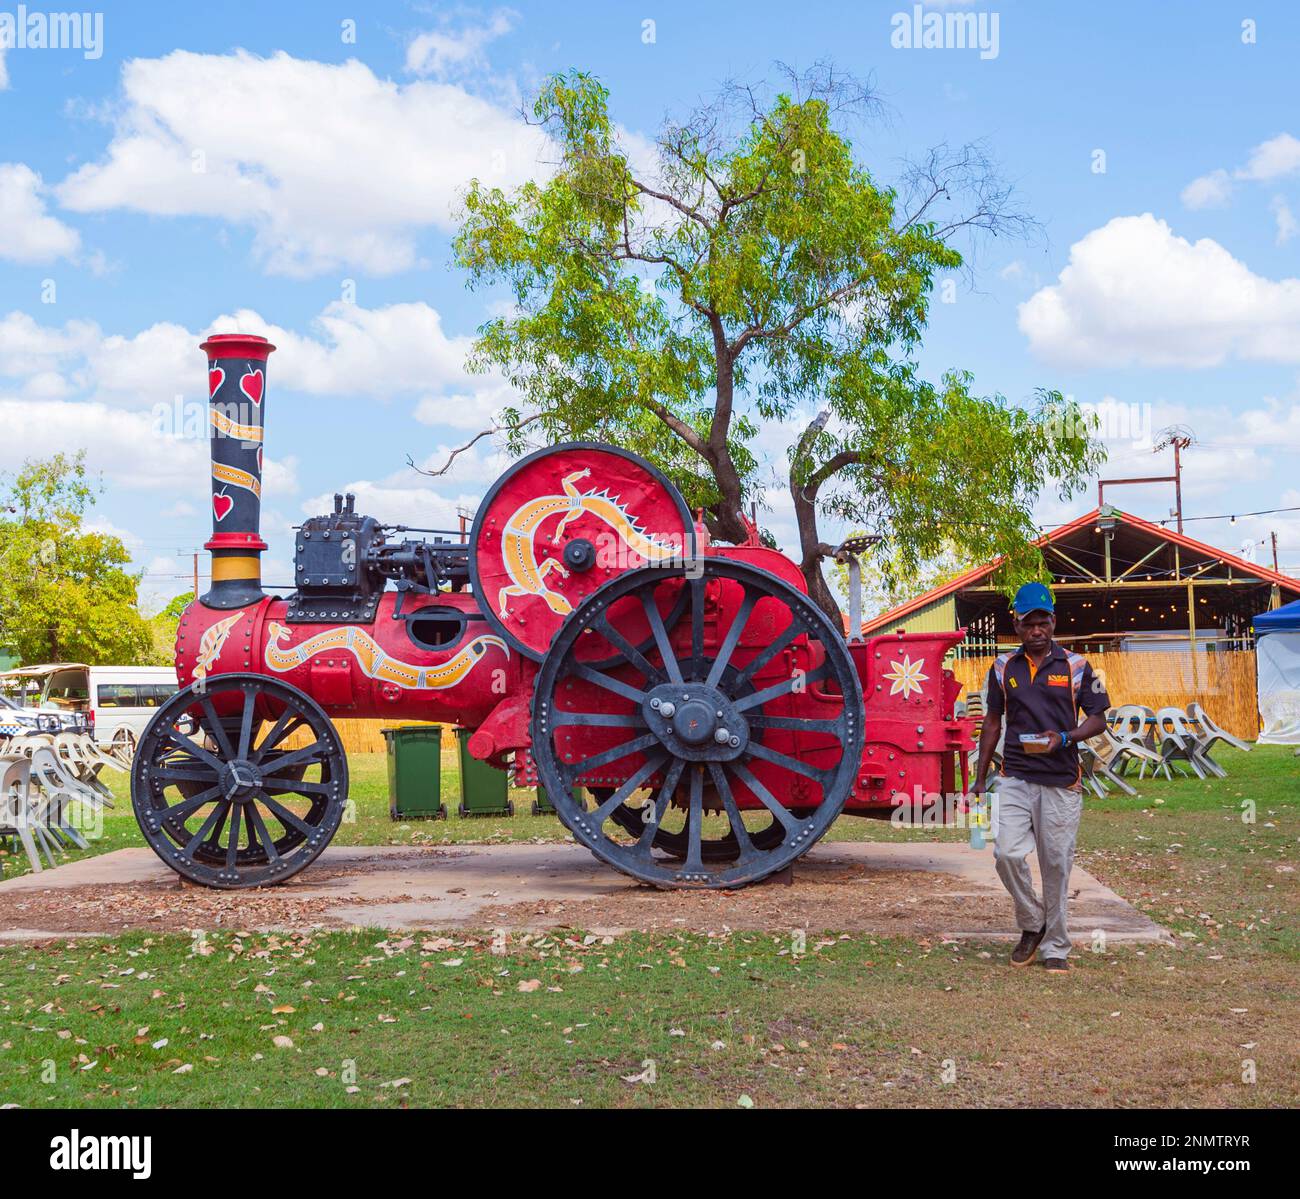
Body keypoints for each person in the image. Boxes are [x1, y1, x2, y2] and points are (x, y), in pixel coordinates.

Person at [972, 582, 1109, 974]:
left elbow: (1099, 719)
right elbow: (993, 722)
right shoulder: (1002, 668)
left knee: (1056, 865)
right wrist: (981, 778)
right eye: (1029, 623)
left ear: (1054, 622)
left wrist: (1065, 737)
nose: (1037, 630)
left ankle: (1056, 947)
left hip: (1061, 780)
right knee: (1006, 854)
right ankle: (1033, 922)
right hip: (1014, 776)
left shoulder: (1082, 667)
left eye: (1043, 622)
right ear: (1016, 624)